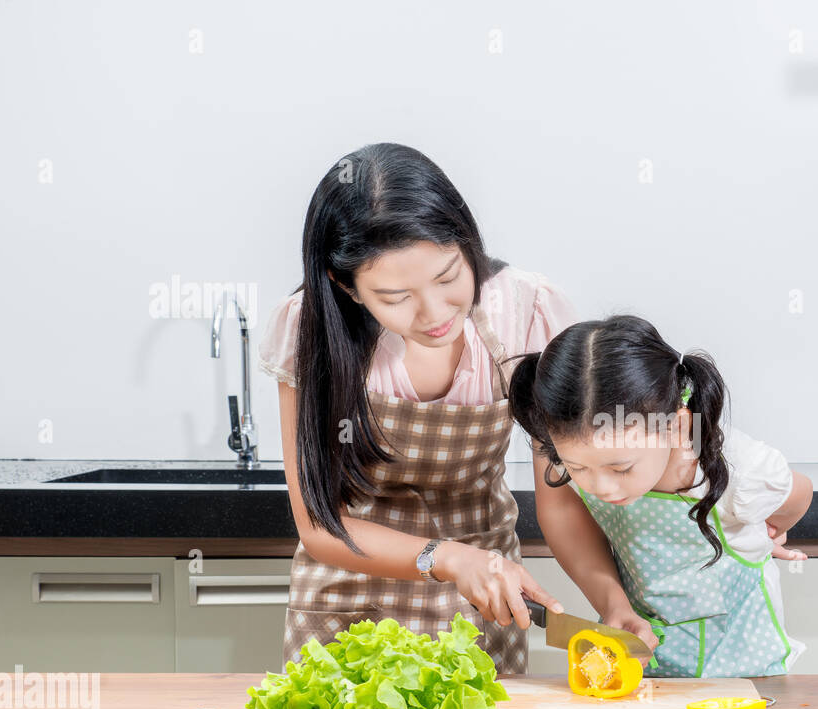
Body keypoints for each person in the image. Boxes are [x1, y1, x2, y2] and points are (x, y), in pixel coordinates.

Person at [258, 143, 639, 671]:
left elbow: (560, 499)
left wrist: (611, 604)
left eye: (448, 277)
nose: (435, 314)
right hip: (348, 602)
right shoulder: (308, 329)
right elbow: (321, 526)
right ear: (344, 285)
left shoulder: (525, 311)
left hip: (484, 603)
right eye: (395, 297)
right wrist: (446, 557)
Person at [505, 315, 814, 678]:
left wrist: (769, 528)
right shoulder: (568, 438)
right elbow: (560, 512)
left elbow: (798, 494)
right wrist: (614, 605)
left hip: (746, 676)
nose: (601, 488)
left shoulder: (738, 469)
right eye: (578, 468)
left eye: (621, 469)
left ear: (676, 426)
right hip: (649, 673)